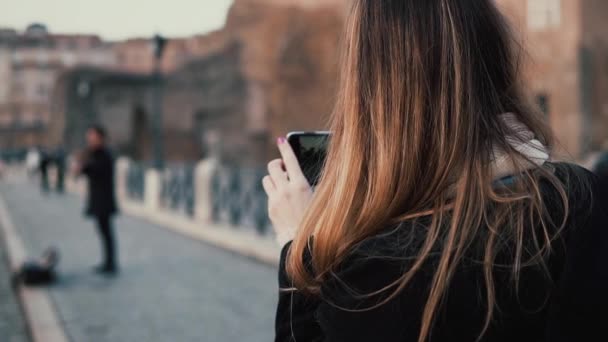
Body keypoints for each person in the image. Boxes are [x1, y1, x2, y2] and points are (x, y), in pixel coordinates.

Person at [263, 1, 608, 341]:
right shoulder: (579, 199)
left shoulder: (372, 272)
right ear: (495, 58)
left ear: (367, 91)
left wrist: (298, 249)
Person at [77, 125, 119, 275]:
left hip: (104, 200)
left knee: (106, 232)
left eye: (92, 137)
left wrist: (84, 167)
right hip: (98, 199)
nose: (89, 140)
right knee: (103, 231)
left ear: (100, 138)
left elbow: (95, 170)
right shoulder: (95, 153)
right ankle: (107, 262)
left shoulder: (104, 154)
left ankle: (110, 263)